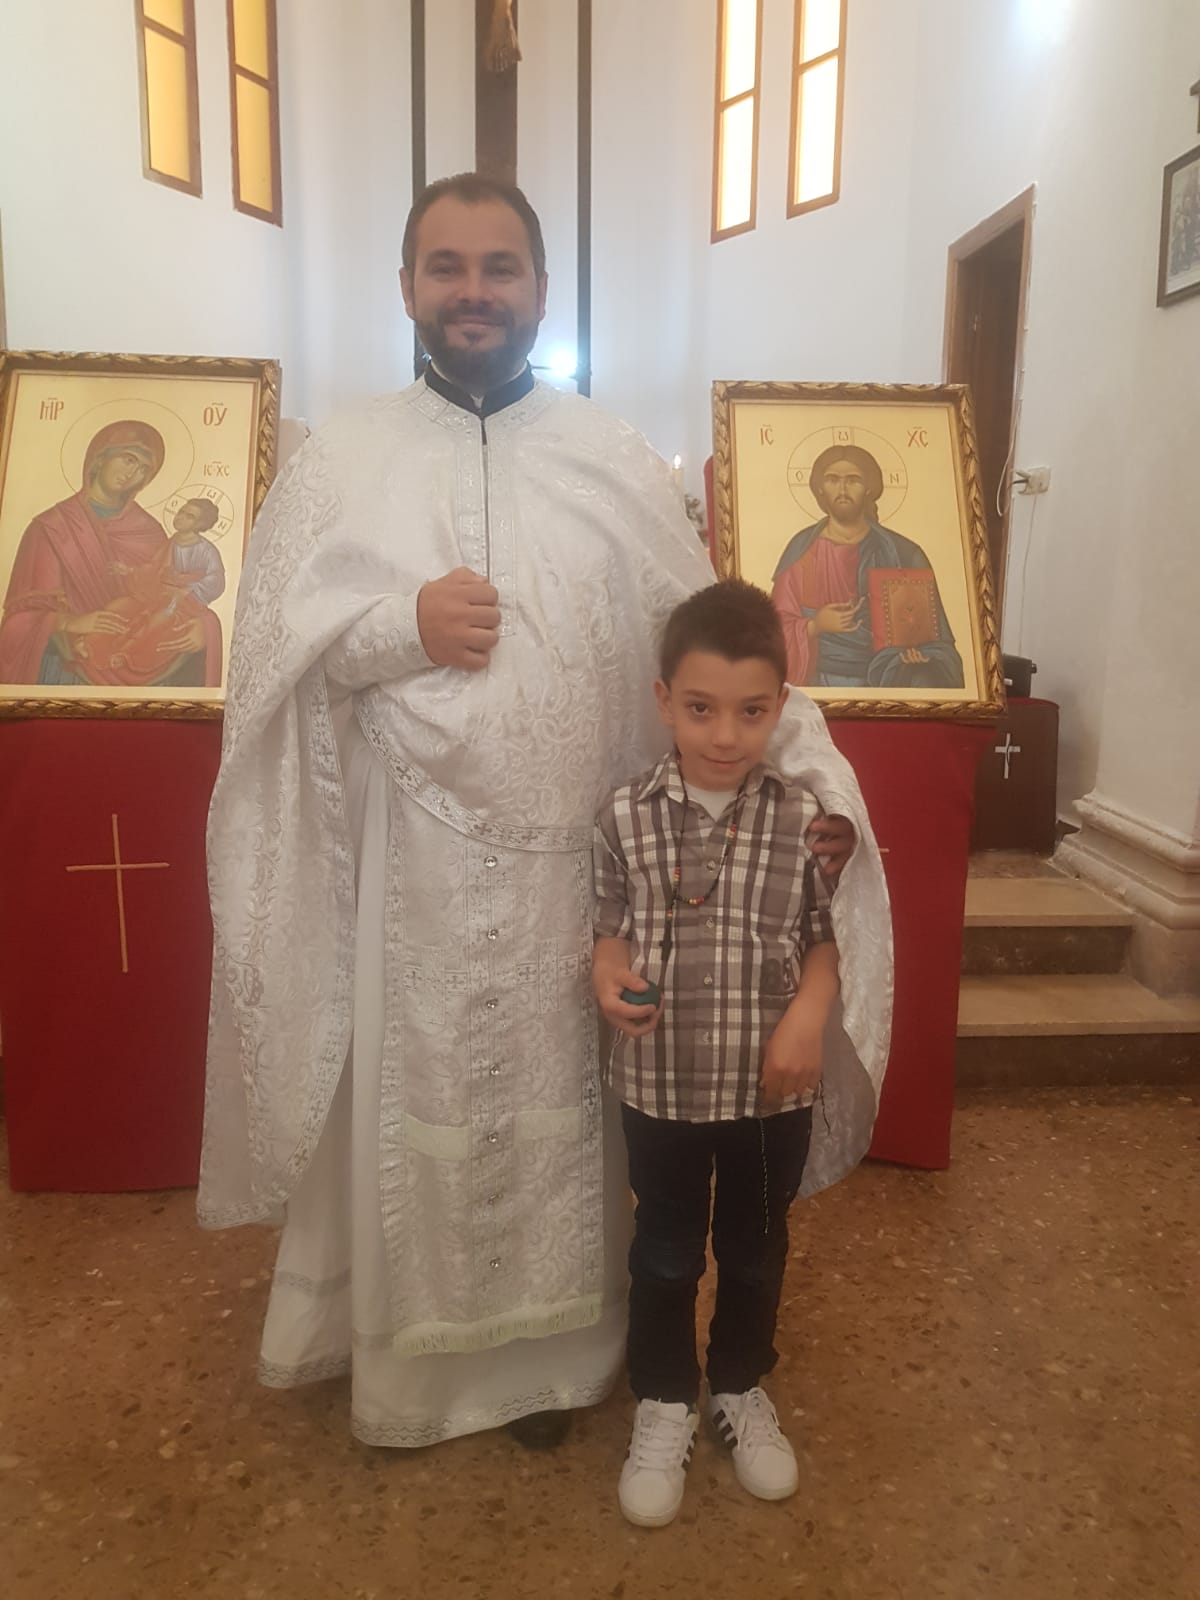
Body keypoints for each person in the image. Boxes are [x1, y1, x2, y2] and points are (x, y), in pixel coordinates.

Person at [197, 173, 891, 1454]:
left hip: (585, 874)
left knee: (565, 1129)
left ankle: (553, 1370)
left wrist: (818, 790)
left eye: (499, 267)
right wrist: (397, 625)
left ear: (541, 290)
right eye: (447, 267)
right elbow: (269, 667)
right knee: (426, 1116)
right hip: (411, 869)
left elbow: (708, 647)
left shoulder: (606, 456)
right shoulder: (343, 458)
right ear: (406, 286)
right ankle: (416, 1380)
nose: (474, 292)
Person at [593, 579, 885, 1527]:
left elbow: (829, 935)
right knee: (665, 1249)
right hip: (662, 1086)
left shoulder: (805, 820)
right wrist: (608, 976)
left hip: (771, 1092)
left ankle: (739, 1385)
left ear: (781, 706)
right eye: (701, 709)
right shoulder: (624, 815)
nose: (725, 736)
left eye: (752, 712)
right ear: (663, 699)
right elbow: (607, 928)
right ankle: (665, 1399)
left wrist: (809, 1013)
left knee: (756, 1249)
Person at [0, 420, 219, 688]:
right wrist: (69, 623)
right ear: (100, 456)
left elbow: (169, 595)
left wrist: (204, 627)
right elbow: (17, 623)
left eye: (143, 469)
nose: (132, 473)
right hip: (66, 674)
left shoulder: (150, 532)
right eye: (128, 459)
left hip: (146, 671)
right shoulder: (50, 528)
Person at [772, 444, 965, 690]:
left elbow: (934, 637)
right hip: (815, 684)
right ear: (820, 488)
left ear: (869, 488)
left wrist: (920, 657)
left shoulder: (904, 553)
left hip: (886, 683)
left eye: (853, 480)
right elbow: (773, 629)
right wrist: (815, 626)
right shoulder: (801, 552)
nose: (842, 489)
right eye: (832, 480)